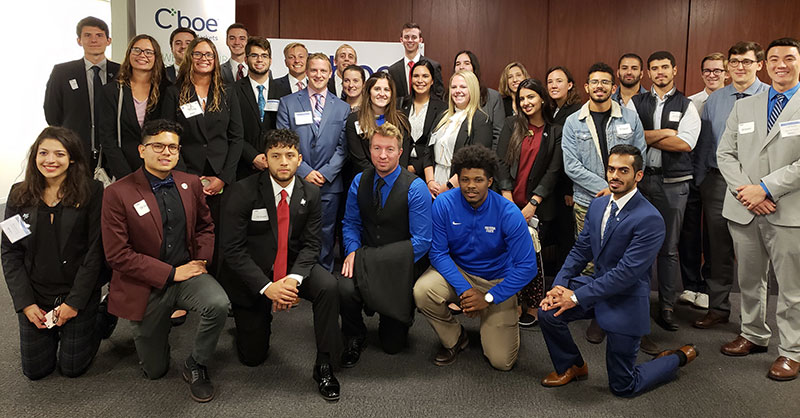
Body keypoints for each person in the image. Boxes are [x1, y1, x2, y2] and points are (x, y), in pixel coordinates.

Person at [538, 144, 697, 397]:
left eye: (624, 170)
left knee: (623, 387)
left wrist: (575, 297)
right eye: (611, 169)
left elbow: (625, 274)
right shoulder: (599, 205)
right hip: (595, 286)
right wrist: (560, 284)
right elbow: (581, 250)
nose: (615, 175)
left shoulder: (650, 219)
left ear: (638, 175)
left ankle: (675, 358)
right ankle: (573, 365)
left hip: (626, 299)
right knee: (547, 312)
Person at [101, 119, 230, 402]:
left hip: (187, 273)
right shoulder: (117, 193)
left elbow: (205, 228)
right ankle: (154, 340)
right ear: (141, 150)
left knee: (218, 304)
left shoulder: (191, 183)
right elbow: (117, 255)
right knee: (155, 370)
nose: (166, 152)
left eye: (172, 147)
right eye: (157, 146)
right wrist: (172, 273)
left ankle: (197, 362)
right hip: (145, 283)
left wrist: (201, 263)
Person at [219, 129, 343, 401]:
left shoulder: (310, 193)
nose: (283, 162)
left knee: (329, 286)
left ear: (299, 159)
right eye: (276, 156)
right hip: (254, 273)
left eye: (289, 156)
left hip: (292, 267)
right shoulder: (242, 191)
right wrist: (267, 287)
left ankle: (325, 364)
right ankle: (251, 319)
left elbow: (312, 245)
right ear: (266, 159)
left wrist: (293, 279)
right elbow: (233, 250)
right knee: (253, 357)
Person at [717, 37, 800, 381]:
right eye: (775, 59)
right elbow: (725, 154)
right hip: (744, 208)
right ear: (765, 66)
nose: (782, 64)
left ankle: (792, 351)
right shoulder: (746, 106)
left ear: (799, 62)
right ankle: (753, 334)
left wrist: (765, 188)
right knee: (750, 280)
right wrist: (747, 192)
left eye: (789, 58)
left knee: (792, 289)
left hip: (788, 211)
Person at [414, 145, 536, 370]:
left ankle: (497, 319)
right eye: (465, 179)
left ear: (490, 181)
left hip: (496, 279)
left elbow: (527, 267)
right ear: (458, 179)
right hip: (459, 273)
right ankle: (455, 338)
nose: (471, 186)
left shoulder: (508, 213)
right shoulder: (443, 203)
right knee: (422, 291)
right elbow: (438, 253)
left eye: (478, 180)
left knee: (502, 362)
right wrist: (465, 291)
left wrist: (489, 298)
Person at [2, 127, 105, 380]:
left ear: (72, 158)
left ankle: (101, 315)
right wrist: (26, 304)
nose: (50, 160)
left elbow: (95, 253)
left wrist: (74, 304)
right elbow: (10, 252)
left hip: (76, 293)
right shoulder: (18, 194)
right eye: (43, 153)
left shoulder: (92, 191)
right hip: (36, 293)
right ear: (34, 156)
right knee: (35, 371)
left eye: (59, 154)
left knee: (72, 368)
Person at [561, 62, 648, 348]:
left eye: (605, 83)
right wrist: (605, 187)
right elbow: (571, 165)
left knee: (622, 261)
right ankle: (597, 312)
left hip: (626, 204)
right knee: (591, 261)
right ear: (586, 87)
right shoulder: (574, 121)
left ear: (614, 87)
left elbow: (639, 156)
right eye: (593, 82)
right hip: (590, 202)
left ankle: (619, 314)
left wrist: (618, 190)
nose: (599, 86)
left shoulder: (630, 118)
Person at [339, 122, 431, 365]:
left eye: (389, 149)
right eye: (377, 148)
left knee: (393, 347)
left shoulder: (416, 187)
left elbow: (422, 241)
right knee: (343, 288)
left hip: (398, 267)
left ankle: (394, 318)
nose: (382, 155)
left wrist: (373, 260)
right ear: (369, 149)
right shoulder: (359, 181)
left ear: (400, 152)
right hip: (364, 255)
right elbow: (350, 223)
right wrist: (352, 252)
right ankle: (355, 335)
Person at [691, 41, 769, 329]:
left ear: (759, 65)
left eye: (746, 62)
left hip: (756, 187)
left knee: (754, 254)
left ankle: (754, 322)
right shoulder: (716, 100)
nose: (739, 67)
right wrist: (701, 182)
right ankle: (718, 307)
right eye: (734, 62)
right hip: (716, 182)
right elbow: (705, 146)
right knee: (717, 249)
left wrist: (763, 188)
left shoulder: (770, 96)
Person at [161, 37, 244, 276]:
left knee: (221, 233)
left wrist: (224, 177)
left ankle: (217, 283)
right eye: (198, 54)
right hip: (186, 175)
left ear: (215, 60)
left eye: (209, 55)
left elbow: (236, 137)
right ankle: (188, 282)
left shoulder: (227, 92)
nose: (204, 59)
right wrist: (190, 177)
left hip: (221, 177)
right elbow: (170, 137)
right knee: (186, 230)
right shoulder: (175, 93)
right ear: (189, 58)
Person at [632, 51, 701, 332]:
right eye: (654, 68)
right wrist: (666, 133)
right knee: (636, 244)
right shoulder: (636, 102)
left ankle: (667, 306)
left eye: (664, 67)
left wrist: (649, 135)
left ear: (674, 70)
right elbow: (631, 137)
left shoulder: (687, 105)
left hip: (674, 184)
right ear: (648, 73)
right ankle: (637, 303)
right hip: (640, 182)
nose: (660, 72)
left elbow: (686, 144)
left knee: (668, 247)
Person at [496, 78, 563, 327]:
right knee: (506, 255)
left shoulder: (554, 130)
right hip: (508, 202)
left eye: (531, 97)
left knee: (531, 257)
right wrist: (506, 195)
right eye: (521, 98)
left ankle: (532, 305)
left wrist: (533, 202)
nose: (526, 102)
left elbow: (553, 171)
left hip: (537, 207)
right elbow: (500, 162)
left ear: (542, 99)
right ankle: (511, 302)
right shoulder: (511, 124)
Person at [276, 52, 350, 272]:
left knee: (326, 234)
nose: (318, 75)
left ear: (330, 74)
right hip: (295, 180)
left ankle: (323, 277)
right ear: (306, 72)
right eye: (314, 70)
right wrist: (305, 171)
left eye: (323, 71)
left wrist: (325, 173)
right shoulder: (288, 103)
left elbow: (343, 148)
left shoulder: (342, 107)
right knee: (294, 232)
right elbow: (283, 143)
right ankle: (295, 278)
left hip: (329, 183)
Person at [678, 52, 728, 311]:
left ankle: (710, 287)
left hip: (718, 177)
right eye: (708, 70)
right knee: (689, 233)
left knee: (714, 236)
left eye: (718, 70)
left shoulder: (735, 102)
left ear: (726, 73)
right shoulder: (691, 102)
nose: (712, 75)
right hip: (691, 174)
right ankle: (690, 285)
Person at [44, 16, 120, 168]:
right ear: (79, 40)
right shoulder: (62, 72)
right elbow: (52, 113)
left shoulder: (121, 72)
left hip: (114, 153)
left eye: (99, 35)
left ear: (108, 40)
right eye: (87, 35)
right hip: (75, 152)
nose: (94, 40)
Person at [98, 34, 169, 181]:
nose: (142, 55)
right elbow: (107, 138)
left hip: (159, 169)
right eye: (137, 50)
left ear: (156, 57)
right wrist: (126, 175)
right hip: (122, 171)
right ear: (129, 54)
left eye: (149, 52)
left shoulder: (167, 91)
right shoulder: (113, 91)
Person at [232, 37, 291, 180]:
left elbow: (286, 130)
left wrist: (272, 156)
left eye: (264, 56)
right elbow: (232, 131)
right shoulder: (232, 91)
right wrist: (252, 156)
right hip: (243, 167)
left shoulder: (284, 92)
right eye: (254, 55)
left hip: (276, 167)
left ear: (270, 60)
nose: (260, 60)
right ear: (246, 60)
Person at [427, 71, 493, 197]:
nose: (457, 91)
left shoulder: (481, 120)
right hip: (434, 184)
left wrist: (448, 187)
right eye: (454, 87)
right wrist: (430, 181)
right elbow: (427, 151)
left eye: (463, 87)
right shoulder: (442, 116)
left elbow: (476, 162)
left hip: (459, 187)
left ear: (472, 89)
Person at [345, 72, 410, 180]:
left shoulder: (401, 121)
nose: (382, 93)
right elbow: (359, 160)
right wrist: (379, 178)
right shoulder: (354, 120)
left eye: (386, 90)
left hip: (395, 182)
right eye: (377, 89)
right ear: (369, 91)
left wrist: (392, 179)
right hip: (365, 180)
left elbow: (403, 158)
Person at [401, 58, 447, 180]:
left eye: (425, 76)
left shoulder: (442, 108)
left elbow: (439, 144)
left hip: (428, 172)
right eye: (416, 76)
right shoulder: (401, 105)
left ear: (432, 80)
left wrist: (415, 166)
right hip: (401, 169)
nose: (420, 80)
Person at [453, 50, 505, 144]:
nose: (461, 67)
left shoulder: (493, 97)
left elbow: (498, 135)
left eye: (467, 63)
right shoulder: (451, 96)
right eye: (458, 64)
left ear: (474, 68)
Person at [386, 23, 444, 102]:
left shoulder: (433, 66)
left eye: (414, 37)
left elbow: (439, 94)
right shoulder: (393, 70)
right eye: (406, 37)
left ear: (420, 40)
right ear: (401, 40)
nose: (410, 40)